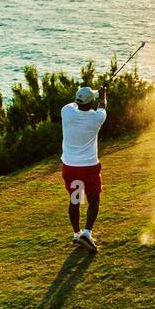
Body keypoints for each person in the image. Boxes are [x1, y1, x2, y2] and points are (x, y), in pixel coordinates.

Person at [61, 84, 107, 252]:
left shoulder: (66, 111)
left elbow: (76, 104)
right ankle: (86, 233)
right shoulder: (96, 118)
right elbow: (102, 105)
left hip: (70, 167)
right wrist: (102, 95)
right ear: (90, 103)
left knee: (76, 200)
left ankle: (76, 233)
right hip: (88, 167)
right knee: (93, 200)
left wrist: (93, 94)